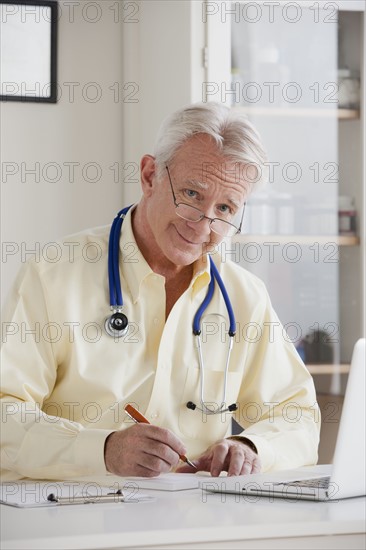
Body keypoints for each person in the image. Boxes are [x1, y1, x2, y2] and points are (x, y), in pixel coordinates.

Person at [0, 103, 320, 481]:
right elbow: (7, 411)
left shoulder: (244, 296)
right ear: (150, 175)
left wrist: (251, 448)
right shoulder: (53, 274)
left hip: (193, 522)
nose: (203, 225)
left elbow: (297, 415)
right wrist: (101, 450)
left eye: (225, 208)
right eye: (191, 194)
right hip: (70, 515)